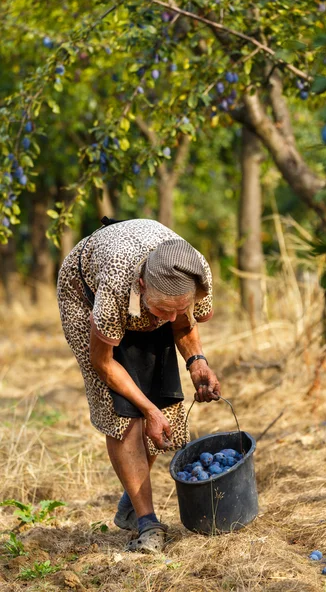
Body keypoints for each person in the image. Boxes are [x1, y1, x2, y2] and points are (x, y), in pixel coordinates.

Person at [57, 218, 221, 553]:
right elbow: (104, 364)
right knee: (124, 414)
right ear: (143, 284)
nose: (171, 319)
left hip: (145, 298)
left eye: (179, 308)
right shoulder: (115, 287)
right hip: (85, 293)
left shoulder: (194, 273)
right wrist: (145, 409)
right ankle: (147, 523)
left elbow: (182, 322)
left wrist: (197, 362)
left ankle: (130, 501)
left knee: (165, 408)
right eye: (164, 309)